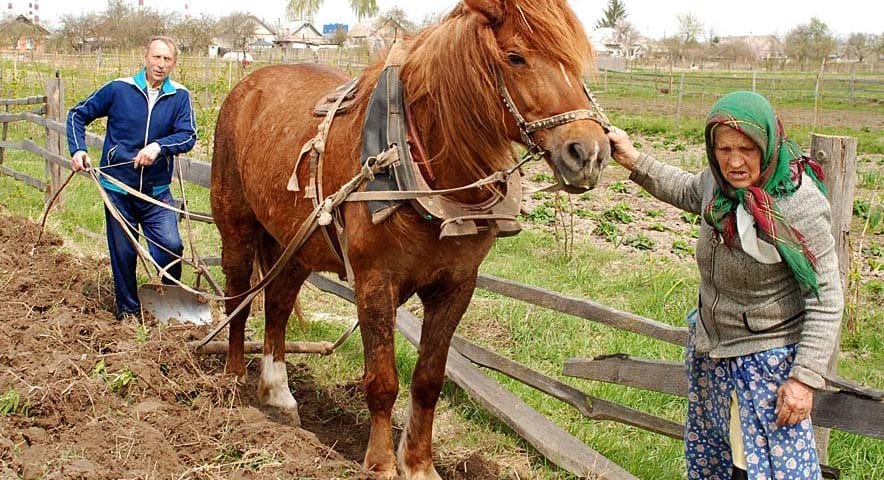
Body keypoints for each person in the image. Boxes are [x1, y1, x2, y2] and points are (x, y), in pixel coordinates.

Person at [607, 91, 842, 480]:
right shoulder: (717, 187)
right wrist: (632, 158)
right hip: (715, 352)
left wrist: (803, 379)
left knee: (764, 469)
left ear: (767, 145)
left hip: (768, 362)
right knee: (721, 460)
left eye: (747, 149)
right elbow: (684, 187)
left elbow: (825, 297)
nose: (734, 161)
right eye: (724, 148)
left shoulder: (798, 203)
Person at [67, 36, 197, 321]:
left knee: (171, 247)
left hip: (156, 191)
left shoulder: (179, 96)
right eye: (156, 57)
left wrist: (159, 147)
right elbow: (77, 114)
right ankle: (127, 312)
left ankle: (168, 305)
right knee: (124, 253)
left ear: (174, 64)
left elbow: (189, 135)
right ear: (145, 56)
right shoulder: (119, 89)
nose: (161, 65)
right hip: (118, 189)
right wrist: (78, 150)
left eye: (167, 60)